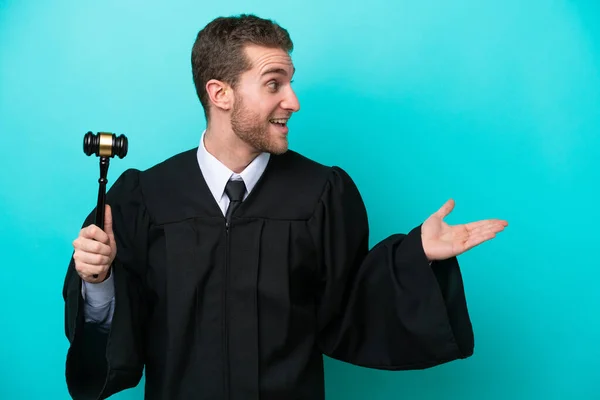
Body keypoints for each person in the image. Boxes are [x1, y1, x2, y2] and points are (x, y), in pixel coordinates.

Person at [63, 14, 508, 400]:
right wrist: (98, 282)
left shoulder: (321, 194)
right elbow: (122, 331)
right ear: (220, 94)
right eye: (274, 83)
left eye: (290, 82)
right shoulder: (145, 198)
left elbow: (350, 307)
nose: (292, 101)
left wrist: (416, 256)